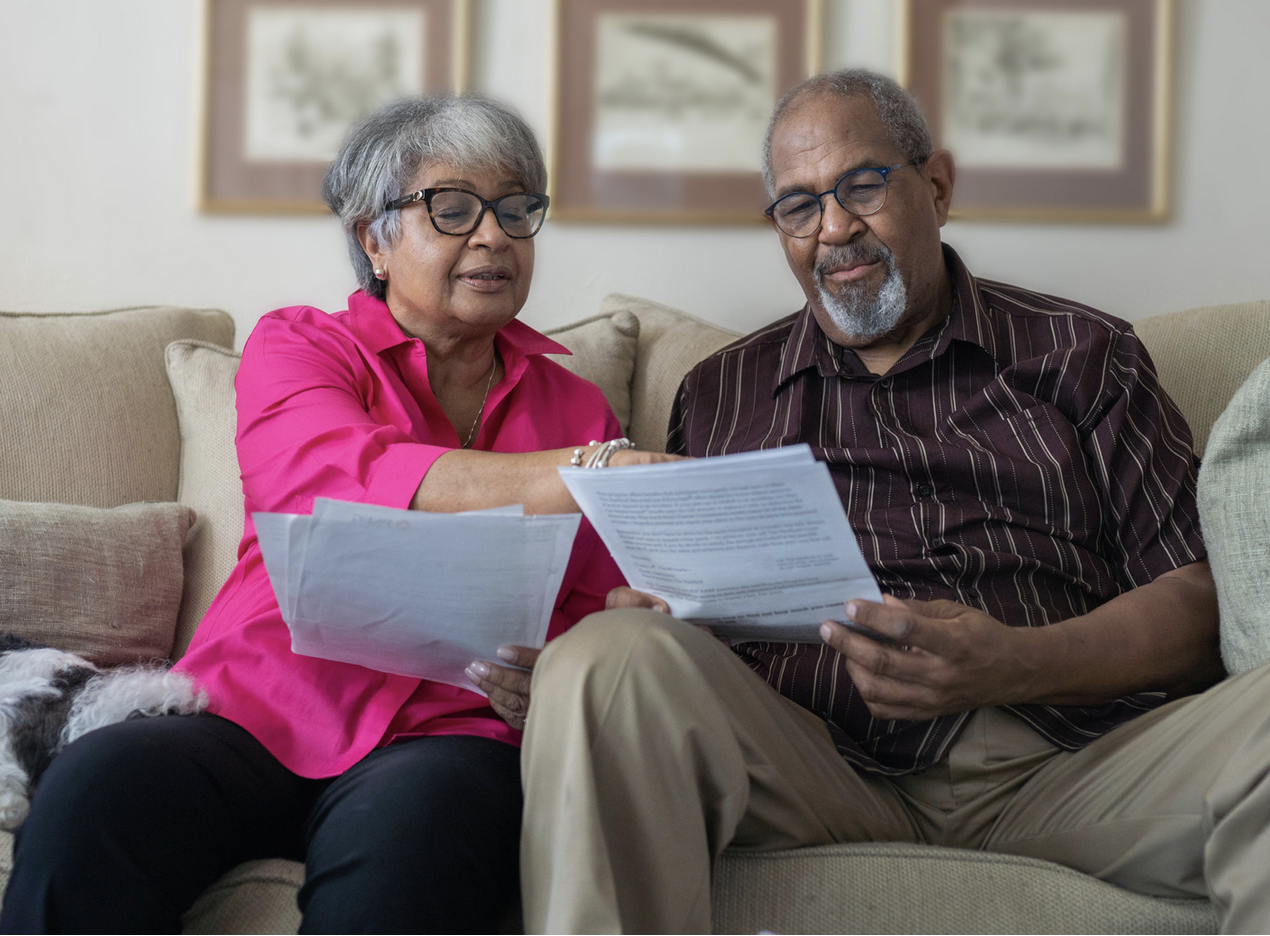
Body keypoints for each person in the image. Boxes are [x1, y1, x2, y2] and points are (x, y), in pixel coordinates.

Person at [516, 69, 1270, 933]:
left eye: (863, 186)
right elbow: (688, 622)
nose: (834, 227)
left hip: (1069, 762)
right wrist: (657, 618)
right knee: (605, 656)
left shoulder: (1084, 354)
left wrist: (1015, 661)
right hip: (817, 763)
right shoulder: (721, 393)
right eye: (799, 206)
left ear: (936, 187)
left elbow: (1192, 599)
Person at [0, 94, 672, 934]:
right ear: (373, 239)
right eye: (453, 209)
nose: (493, 236)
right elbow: (336, 479)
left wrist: (562, 672)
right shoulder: (301, 347)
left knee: (415, 847)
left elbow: (594, 603)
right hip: (255, 711)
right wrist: (586, 470)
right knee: (96, 788)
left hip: (452, 733)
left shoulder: (577, 408)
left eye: (514, 210)